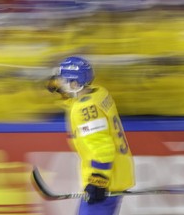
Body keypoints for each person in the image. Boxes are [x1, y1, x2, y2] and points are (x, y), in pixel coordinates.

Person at [46, 56, 135, 215]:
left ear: (75, 84)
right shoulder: (99, 93)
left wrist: (98, 181)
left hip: (106, 179)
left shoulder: (84, 110)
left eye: (62, 80)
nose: (59, 82)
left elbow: (103, 149)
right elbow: (78, 101)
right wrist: (62, 92)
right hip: (116, 172)